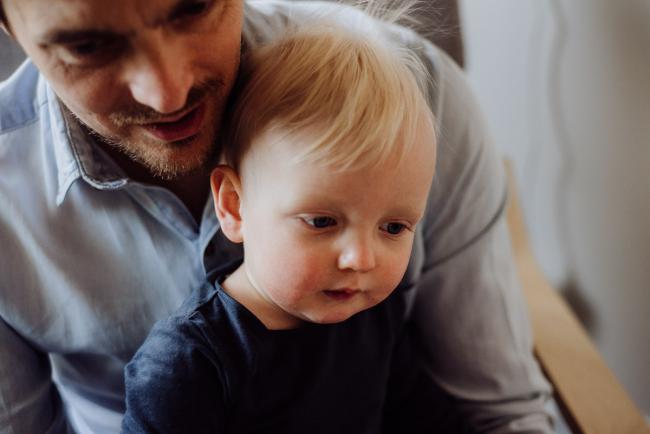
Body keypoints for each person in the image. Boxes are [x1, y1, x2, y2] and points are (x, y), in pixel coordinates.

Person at [0, 0, 553, 433]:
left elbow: (475, 414)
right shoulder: (185, 369)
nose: (168, 95)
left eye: (194, 7)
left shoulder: (418, 99)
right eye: (88, 44)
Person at [122, 22, 438, 433]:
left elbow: (425, 417)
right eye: (322, 221)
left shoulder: (375, 317)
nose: (361, 258)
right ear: (234, 206)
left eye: (394, 227)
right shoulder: (186, 366)